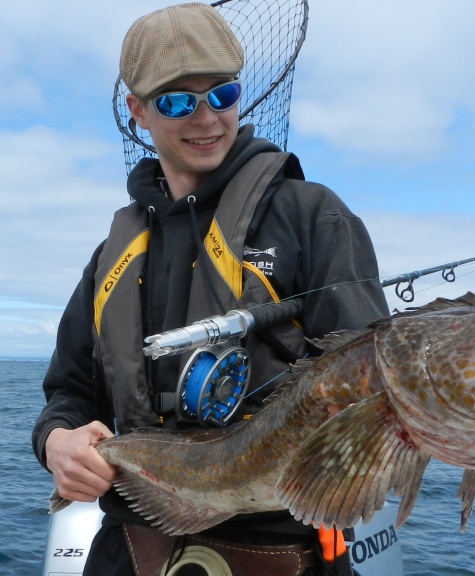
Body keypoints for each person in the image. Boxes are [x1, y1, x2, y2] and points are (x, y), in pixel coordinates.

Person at [31, 3, 389, 575]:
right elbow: (70, 395)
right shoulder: (110, 259)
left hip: (281, 548)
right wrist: (57, 445)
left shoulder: (312, 216)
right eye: (176, 101)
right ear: (138, 112)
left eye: (221, 94)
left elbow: (375, 391)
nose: (206, 118)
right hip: (130, 547)